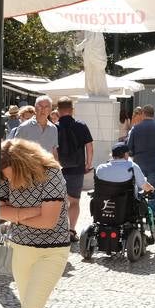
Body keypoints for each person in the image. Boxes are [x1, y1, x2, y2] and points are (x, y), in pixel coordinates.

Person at [0, 138, 71, 308]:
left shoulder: (52, 173)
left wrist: (15, 214)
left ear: (22, 165)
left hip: (53, 251)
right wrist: (29, 212)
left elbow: (50, 220)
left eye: (10, 175)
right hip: (22, 249)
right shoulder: (3, 174)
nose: (8, 181)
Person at [54, 96, 94, 239]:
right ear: (72, 110)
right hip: (77, 168)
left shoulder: (54, 127)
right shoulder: (81, 125)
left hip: (58, 169)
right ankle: (71, 231)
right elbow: (89, 146)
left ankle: (58, 231)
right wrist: (88, 164)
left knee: (57, 200)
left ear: (58, 110)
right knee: (74, 201)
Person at [126, 105, 155, 228]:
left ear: (143, 114)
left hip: (138, 164)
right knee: (153, 190)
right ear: (153, 114)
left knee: (137, 189)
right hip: (154, 164)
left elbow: (129, 148)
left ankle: (137, 213)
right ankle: (152, 216)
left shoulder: (135, 129)